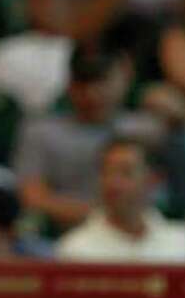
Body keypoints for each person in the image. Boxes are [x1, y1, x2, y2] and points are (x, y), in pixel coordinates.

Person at [12, 46, 164, 230]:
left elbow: (158, 194)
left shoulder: (147, 129)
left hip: (138, 232)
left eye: (102, 82)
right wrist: (104, 219)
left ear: (124, 79)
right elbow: (33, 197)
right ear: (69, 84)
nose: (92, 93)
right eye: (83, 83)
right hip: (60, 237)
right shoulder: (40, 131)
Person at [57, 138, 185, 263]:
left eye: (126, 172)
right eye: (106, 172)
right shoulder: (75, 248)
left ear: (153, 180)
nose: (113, 182)